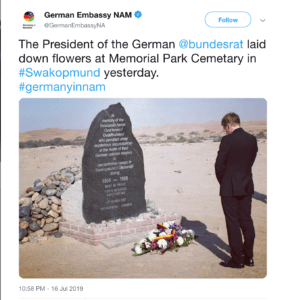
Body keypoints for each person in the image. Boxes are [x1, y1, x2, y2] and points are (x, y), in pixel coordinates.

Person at [215, 112, 258, 269]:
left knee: (233, 223)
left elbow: (219, 165)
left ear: (229, 125)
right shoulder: (252, 139)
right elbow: (250, 162)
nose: (225, 131)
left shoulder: (227, 140)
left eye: (225, 128)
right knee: (246, 220)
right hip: (246, 186)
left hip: (229, 188)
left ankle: (237, 260)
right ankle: (249, 257)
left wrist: (225, 181)